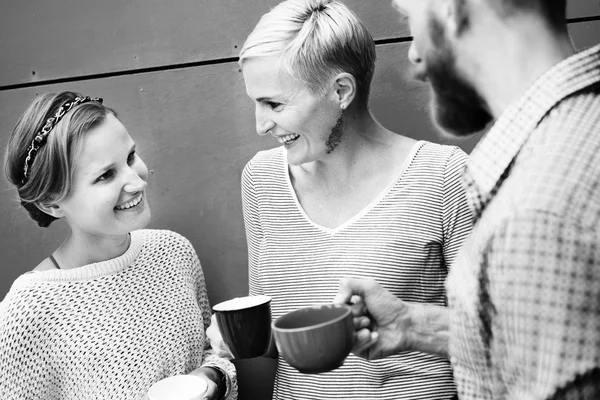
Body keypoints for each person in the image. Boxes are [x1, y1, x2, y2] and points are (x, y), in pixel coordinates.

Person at [334, 0, 600, 399]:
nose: (415, 56)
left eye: (412, 20)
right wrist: (411, 324)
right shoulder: (581, 132)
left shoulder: (534, 217)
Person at [208, 0, 472, 399]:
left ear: (341, 91)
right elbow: (277, 338)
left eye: (274, 104)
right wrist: (238, 339)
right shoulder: (261, 181)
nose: (261, 125)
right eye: (255, 102)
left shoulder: (445, 176)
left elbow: (498, 336)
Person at [0, 91, 237, 400]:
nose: (137, 181)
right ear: (51, 203)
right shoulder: (27, 311)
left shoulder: (173, 252)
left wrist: (211, 377)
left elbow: (210, 352)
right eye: (106, 175)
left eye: (130, 157)